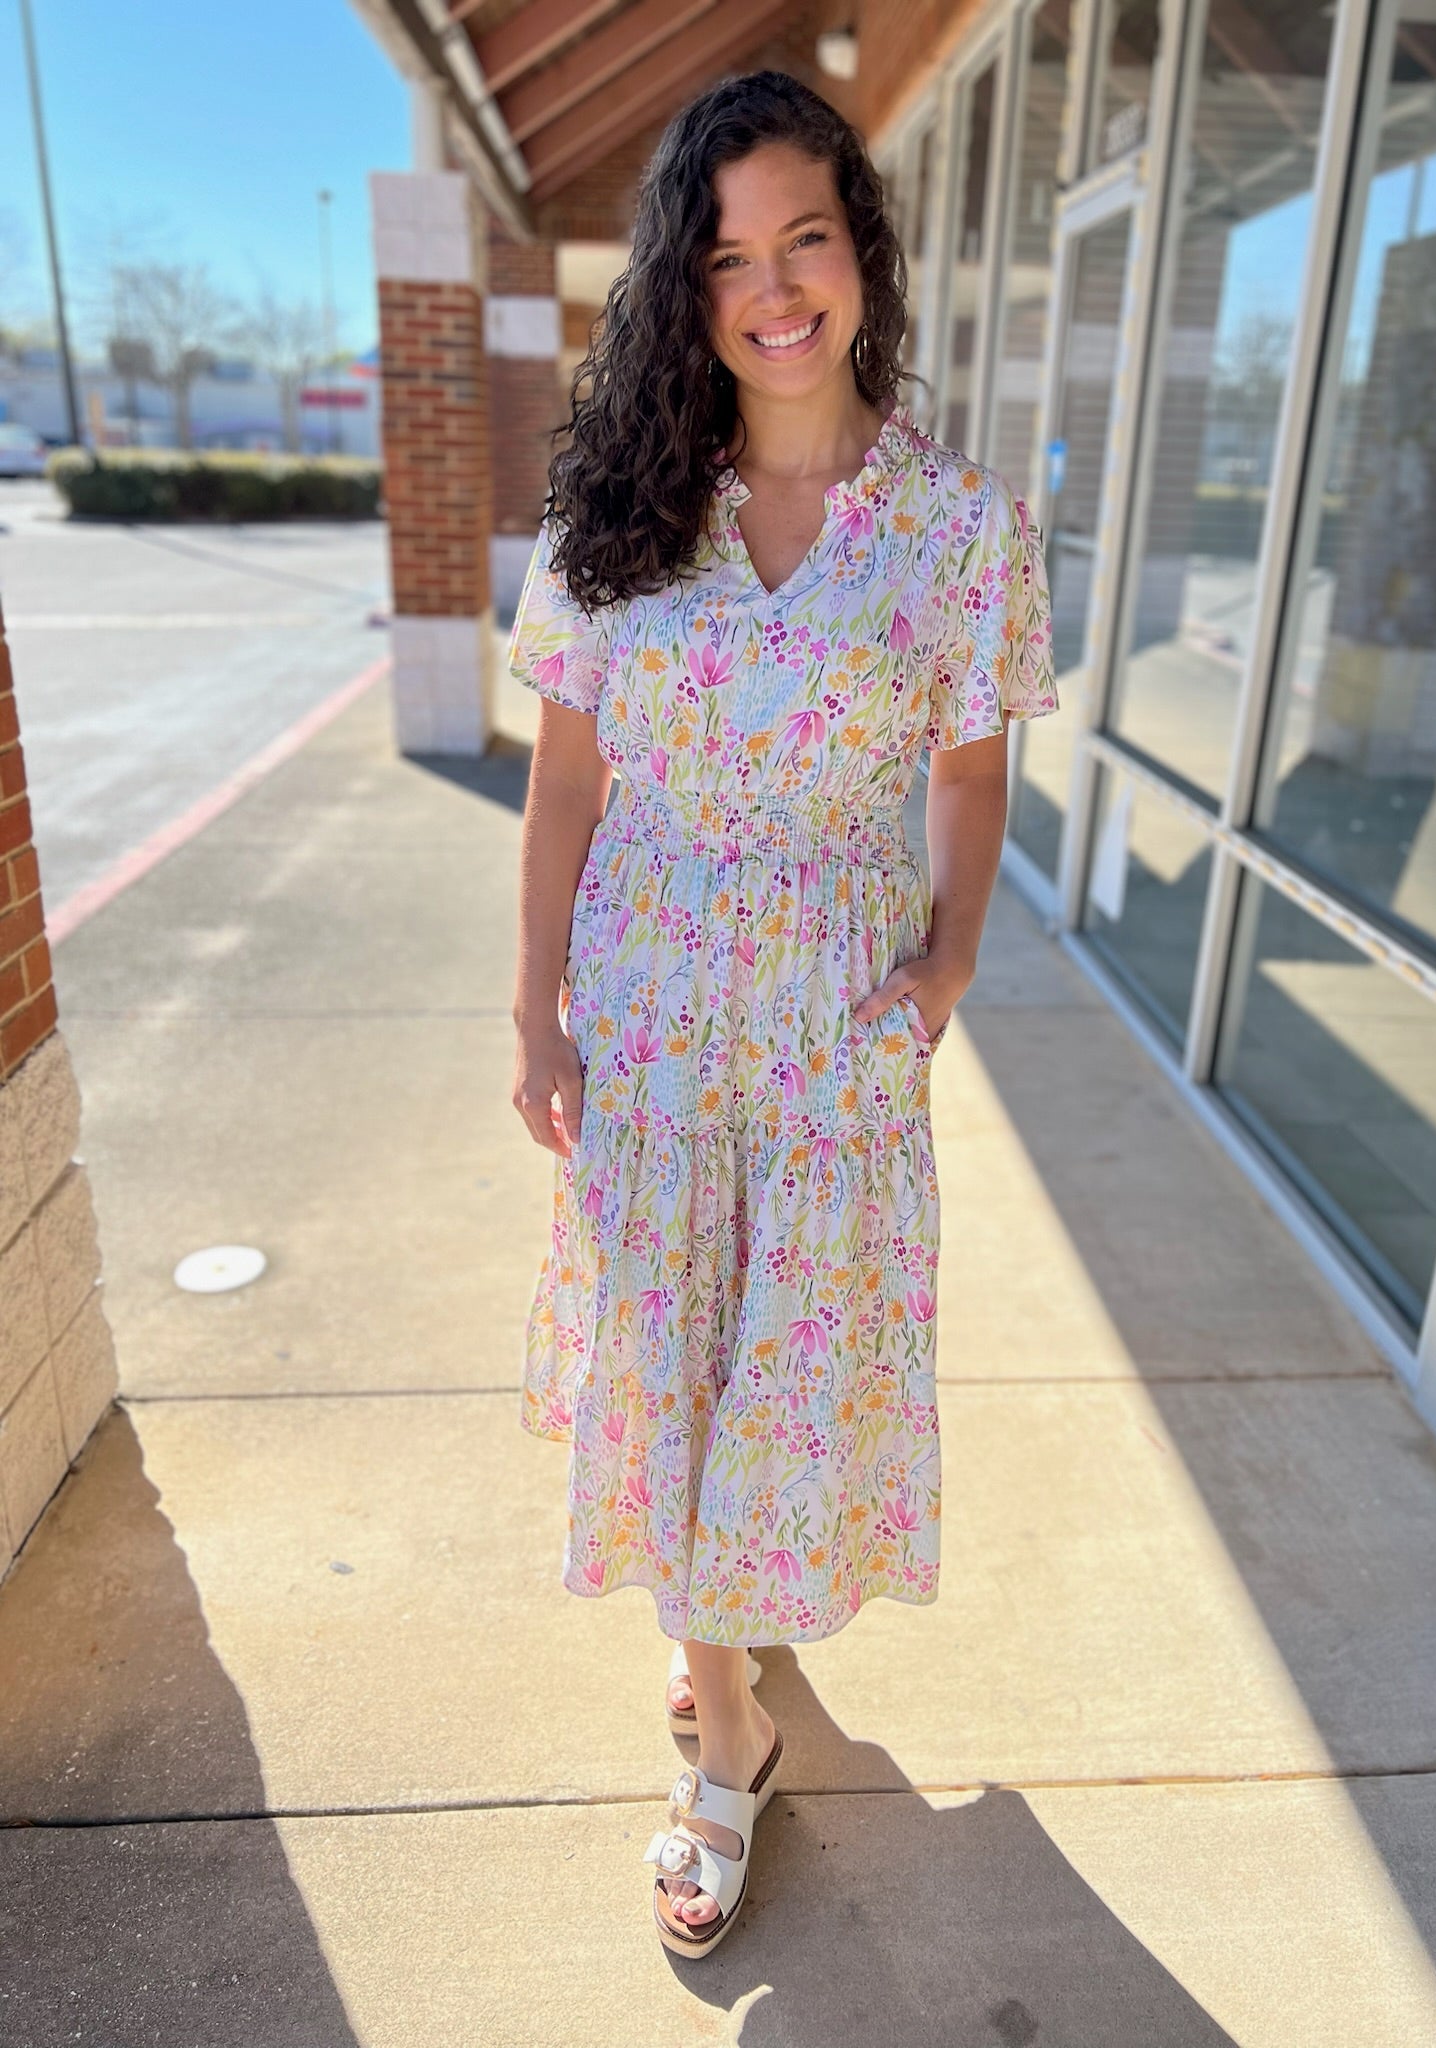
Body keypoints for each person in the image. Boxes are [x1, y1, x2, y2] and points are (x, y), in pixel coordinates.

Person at [507, 69, 1056, 1959]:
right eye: (728, 255)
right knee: (672, 1373)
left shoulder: (962, 531)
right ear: (689, 285)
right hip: (654, 1029)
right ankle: (723, 1735)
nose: (773, 288)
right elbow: (565, 789)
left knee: (784, 1384)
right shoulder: (621, 512)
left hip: (832, 1040)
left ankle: (727, 1650)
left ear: (860, 248)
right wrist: (534, 1017)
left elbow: (972, 775)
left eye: (803, 236)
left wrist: (952, 956)